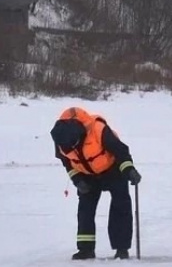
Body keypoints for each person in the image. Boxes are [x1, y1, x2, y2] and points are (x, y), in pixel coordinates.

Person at [50, 106, 142, 260]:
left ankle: (121, 249)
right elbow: (67, 163)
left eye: (73, 145)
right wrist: (77, 180)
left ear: (79, 135)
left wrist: (129, 170)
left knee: (121, 205)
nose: (70, 148)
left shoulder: (99, 130)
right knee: (85, 209)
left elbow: (121, 151)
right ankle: (85, 250)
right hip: (86, 175)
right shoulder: (61, 139)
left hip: (112, 169)